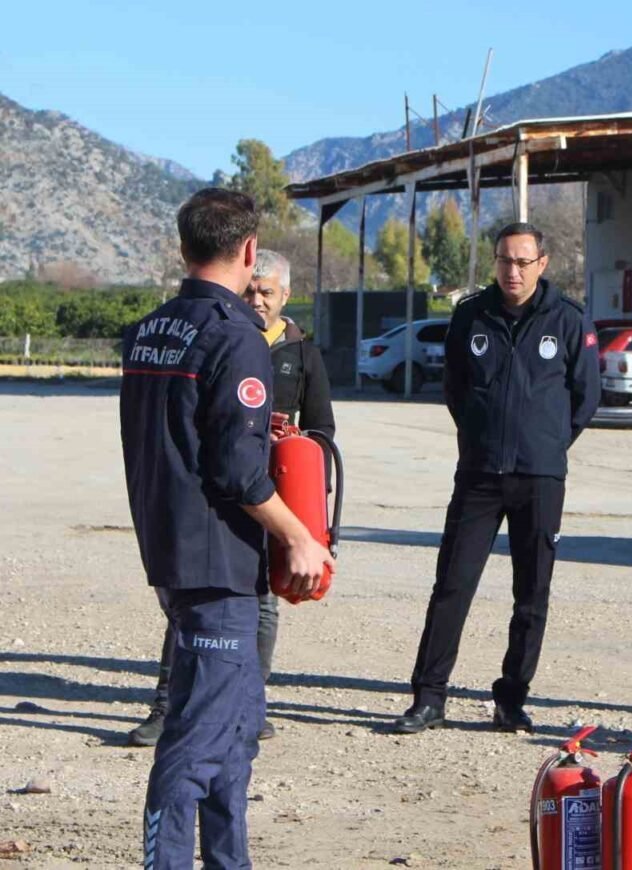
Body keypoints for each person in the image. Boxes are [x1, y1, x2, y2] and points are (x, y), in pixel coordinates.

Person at [120, 188, 335, 868]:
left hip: (173, 547)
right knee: (195, 739)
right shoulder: (236, 334)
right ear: (248, 250)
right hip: (216, 562)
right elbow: (237, 472)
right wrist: (299, 535)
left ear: (184, 247)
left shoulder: (152, 329)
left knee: (235, 737)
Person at [393, 221, 601, 735]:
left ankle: (511, 700)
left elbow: (585, 396)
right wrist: (479, 435)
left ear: (542, 264)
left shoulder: (568, 319)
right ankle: (428, 697)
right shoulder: (471, 315)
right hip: (480, 474)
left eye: (523, 262)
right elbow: (455, 389)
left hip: (539, 477)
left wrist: (547, 443)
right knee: (452, 585)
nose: (513, 271)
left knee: (531, 595)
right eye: (505, 260)